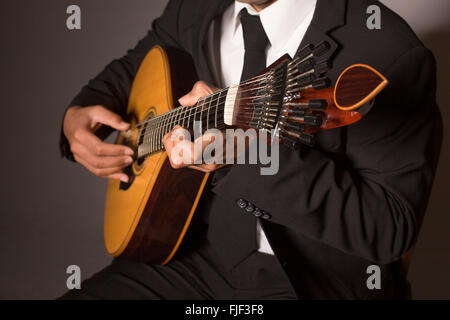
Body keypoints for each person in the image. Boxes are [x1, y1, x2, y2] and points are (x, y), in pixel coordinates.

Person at [59, 0, 442, 299]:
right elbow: (138, 61)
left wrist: (248, 154)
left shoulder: (384, 48)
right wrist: (77, 115)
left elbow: (388, 227)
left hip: (304, 280)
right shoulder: (195, 8)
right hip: (191, 255)